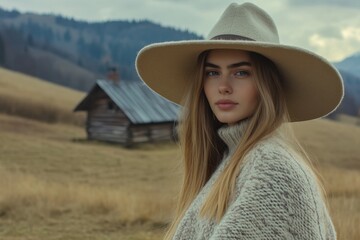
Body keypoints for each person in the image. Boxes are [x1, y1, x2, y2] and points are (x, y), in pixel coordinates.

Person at [136, 2, 343, 240]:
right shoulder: (233, 160)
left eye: (241, 72)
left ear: (267, 85)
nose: (223, 87)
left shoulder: (272, 172)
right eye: (212, 73)